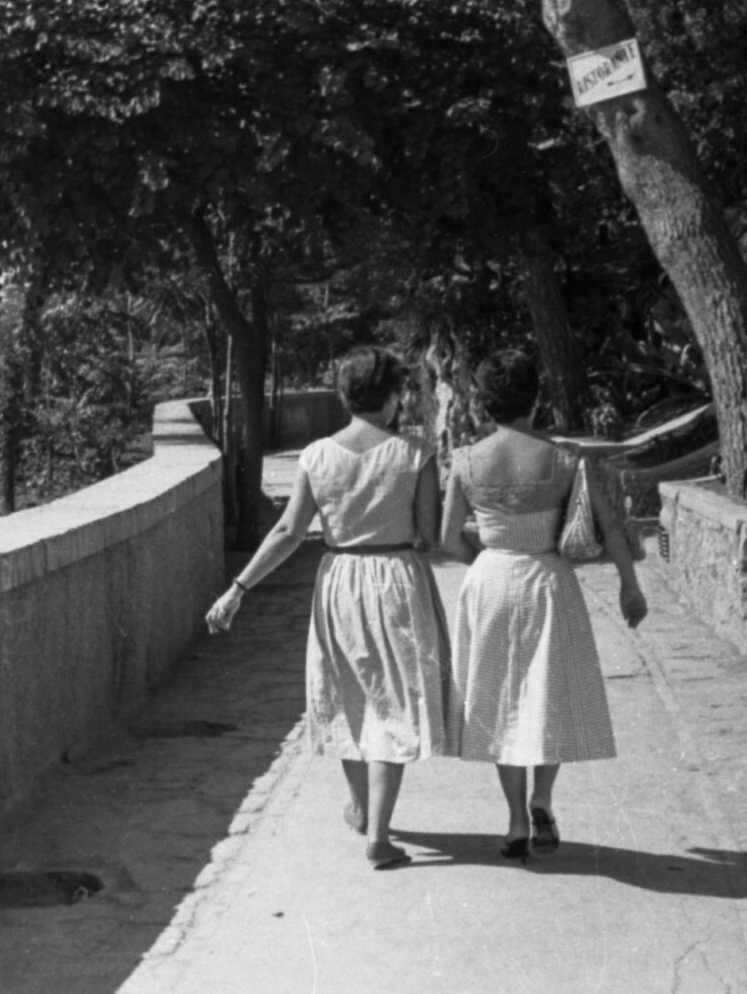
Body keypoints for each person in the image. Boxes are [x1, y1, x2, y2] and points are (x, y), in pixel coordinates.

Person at [206, 346, 451, 870]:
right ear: (391, 397)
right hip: (397, 579)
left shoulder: (317, 455)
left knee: (349, 694)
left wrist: (237, 589)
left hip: (340, 581)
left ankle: (362, 809)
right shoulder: (416, 451)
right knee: (395, 703)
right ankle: (379, 835)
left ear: (343, 397)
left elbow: (290, 531)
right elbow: (430, 534)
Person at [440, 351, 647, 861]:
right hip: (547, 579)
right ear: (535, 397)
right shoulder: (564, 459)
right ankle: (542, 800)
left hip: (491, 578)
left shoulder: (467, 459)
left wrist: (488, 563)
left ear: (485, 402)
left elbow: (446, 538)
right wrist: (629, 585)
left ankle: (513, 821)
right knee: (547, 695)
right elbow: (611, 528)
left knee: (498, 698)